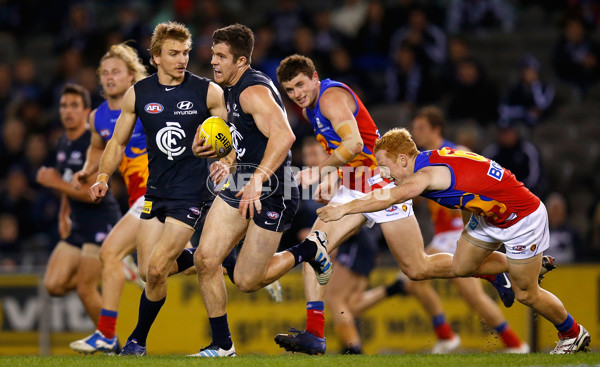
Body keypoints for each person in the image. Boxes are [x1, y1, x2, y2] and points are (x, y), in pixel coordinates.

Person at [267, 54, 513, 355]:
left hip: (379, 182)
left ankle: (492, 269)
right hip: (353, 184)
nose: (297, 94)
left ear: (315, 77)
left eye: (301, 85)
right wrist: (333, 178)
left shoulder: (330, 98)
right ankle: (315, 334)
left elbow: (355, 143)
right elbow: (343, 150)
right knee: (315, 248)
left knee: (417, 267)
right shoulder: (310, 110)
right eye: (290, 90)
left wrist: (321, 171)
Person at [317, 128, 591, 355]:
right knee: (461, 266)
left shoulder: (423, 175)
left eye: (385, 166)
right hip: (488, 216)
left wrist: (343, 208)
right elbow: (471, 179)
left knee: (526, 294)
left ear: (402, 159)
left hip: (522, 218)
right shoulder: (430, 158)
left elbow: (391, 196)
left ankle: (573, 333)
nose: (384, 174)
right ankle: (513, 267)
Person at [88, 21, 227, 356]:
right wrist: (103, 177)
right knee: (150, 274)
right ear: (155, 57)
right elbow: (117, 141)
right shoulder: (139, 93)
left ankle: (136, 341)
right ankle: (213, 258)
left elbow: (230, 136)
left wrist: (227, 161)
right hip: (155, 194)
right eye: (173, 53)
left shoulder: (207, 91)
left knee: (156, 267)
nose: (182, 59)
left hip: (191, 194)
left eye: (186, 53)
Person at [188, 23, 302, 358]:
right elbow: (245, 142)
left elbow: (285, 136)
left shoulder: (253, 91)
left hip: (275, 188)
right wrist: (222, 158)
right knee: (206, 259)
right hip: (243, 181)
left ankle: (310, 250)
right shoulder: (230, 90)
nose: (214, 62)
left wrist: (257, 179)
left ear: (241, 61)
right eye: (213, 54)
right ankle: (223, 346)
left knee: (248, 282)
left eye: (222, 56)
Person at [405, 106, 528, 353]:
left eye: (420, 128)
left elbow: (482, 185)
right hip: (443, 233)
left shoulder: (458, 152)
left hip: (458, 231)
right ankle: (510, 343)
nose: (415, 134)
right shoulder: (423, 159)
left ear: (436, 128)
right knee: (433, 285)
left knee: (418, 276)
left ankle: (503, 341)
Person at [68, 43, 149, 354]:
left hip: (157, 194)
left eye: (116, 71)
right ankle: (231, 263)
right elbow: (98, 147)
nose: (109, 77)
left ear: (132, 76)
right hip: (138, 200)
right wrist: (88, 170)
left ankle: (106, 334)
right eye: (104, 73)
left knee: (110, 253)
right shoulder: (98, 117)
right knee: (187, 262)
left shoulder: (146, 103)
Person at [36, 84, 121, 328]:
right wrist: (64, 213)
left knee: (85, 289)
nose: (67, 111)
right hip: (79, 224)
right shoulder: (63, 142)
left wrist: (53, 183)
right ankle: (108, 274)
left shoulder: (90, 143)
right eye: (63, 106)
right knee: (53, 285)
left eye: (74, 106)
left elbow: (94, 194)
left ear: (87, 112)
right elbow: (67, 182)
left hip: (100, 221)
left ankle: (109, 342)